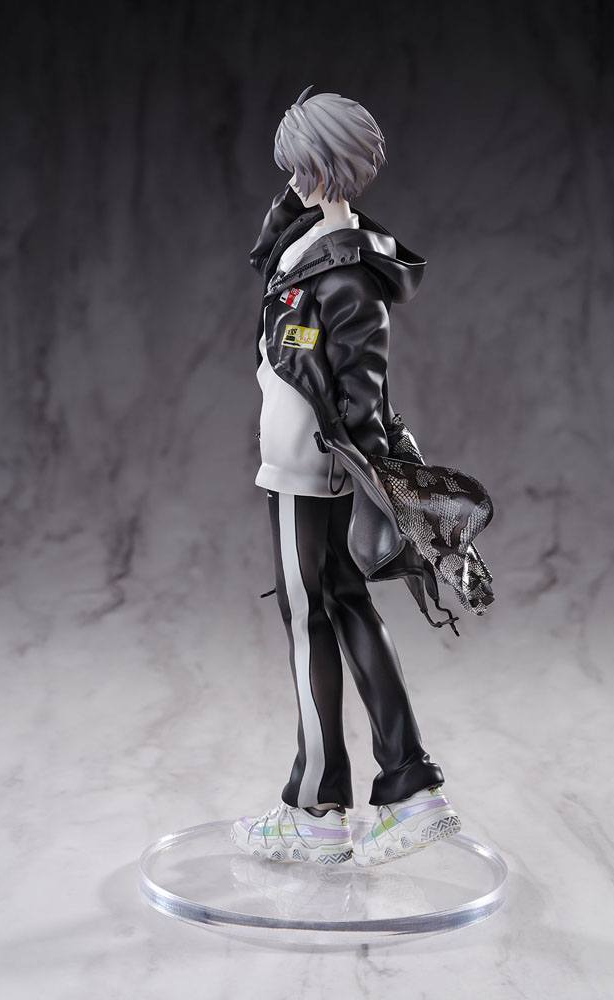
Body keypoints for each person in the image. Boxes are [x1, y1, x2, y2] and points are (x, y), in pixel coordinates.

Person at [230, 86, 461, 866]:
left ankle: (318, 807)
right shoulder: (315, 247)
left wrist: (380, 481)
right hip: (301, 466)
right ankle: (407, 786)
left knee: (310, 625)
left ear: (321, 167)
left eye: (302, 165)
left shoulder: (346, 274)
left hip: (308, 475)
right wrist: (321, 212)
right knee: (345, 611)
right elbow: (270, 257)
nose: (290, 179)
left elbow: (362, 395)